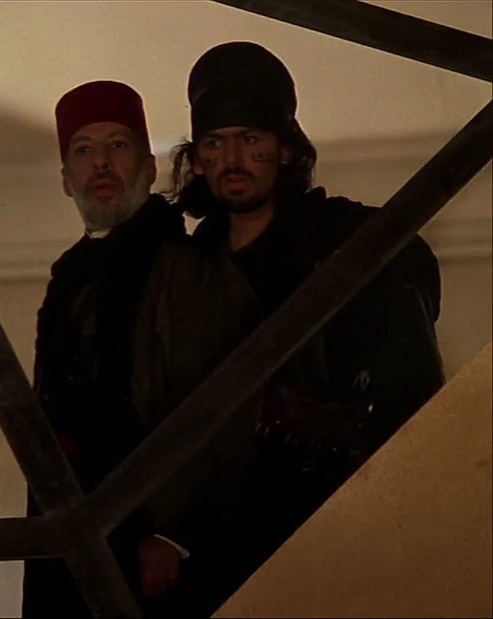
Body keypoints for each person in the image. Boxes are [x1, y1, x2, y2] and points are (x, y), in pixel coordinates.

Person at [168, 41, 444, 606]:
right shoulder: (183, 272)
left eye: (251, 139)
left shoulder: (353, 241)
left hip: (336, 517)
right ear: (196, 159)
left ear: (285, 149)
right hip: (214, 534)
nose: (232, 159)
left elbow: (408, 402)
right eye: (215, 143)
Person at [22, 81, 259, 617]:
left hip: (157, 540)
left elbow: (218, 411)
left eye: (118, 145)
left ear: (150, 168)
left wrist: (175, 532)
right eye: (84, 150)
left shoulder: (190, 270)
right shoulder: (68, 279)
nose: (101, 164)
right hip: (74, 533)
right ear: (66, 178)